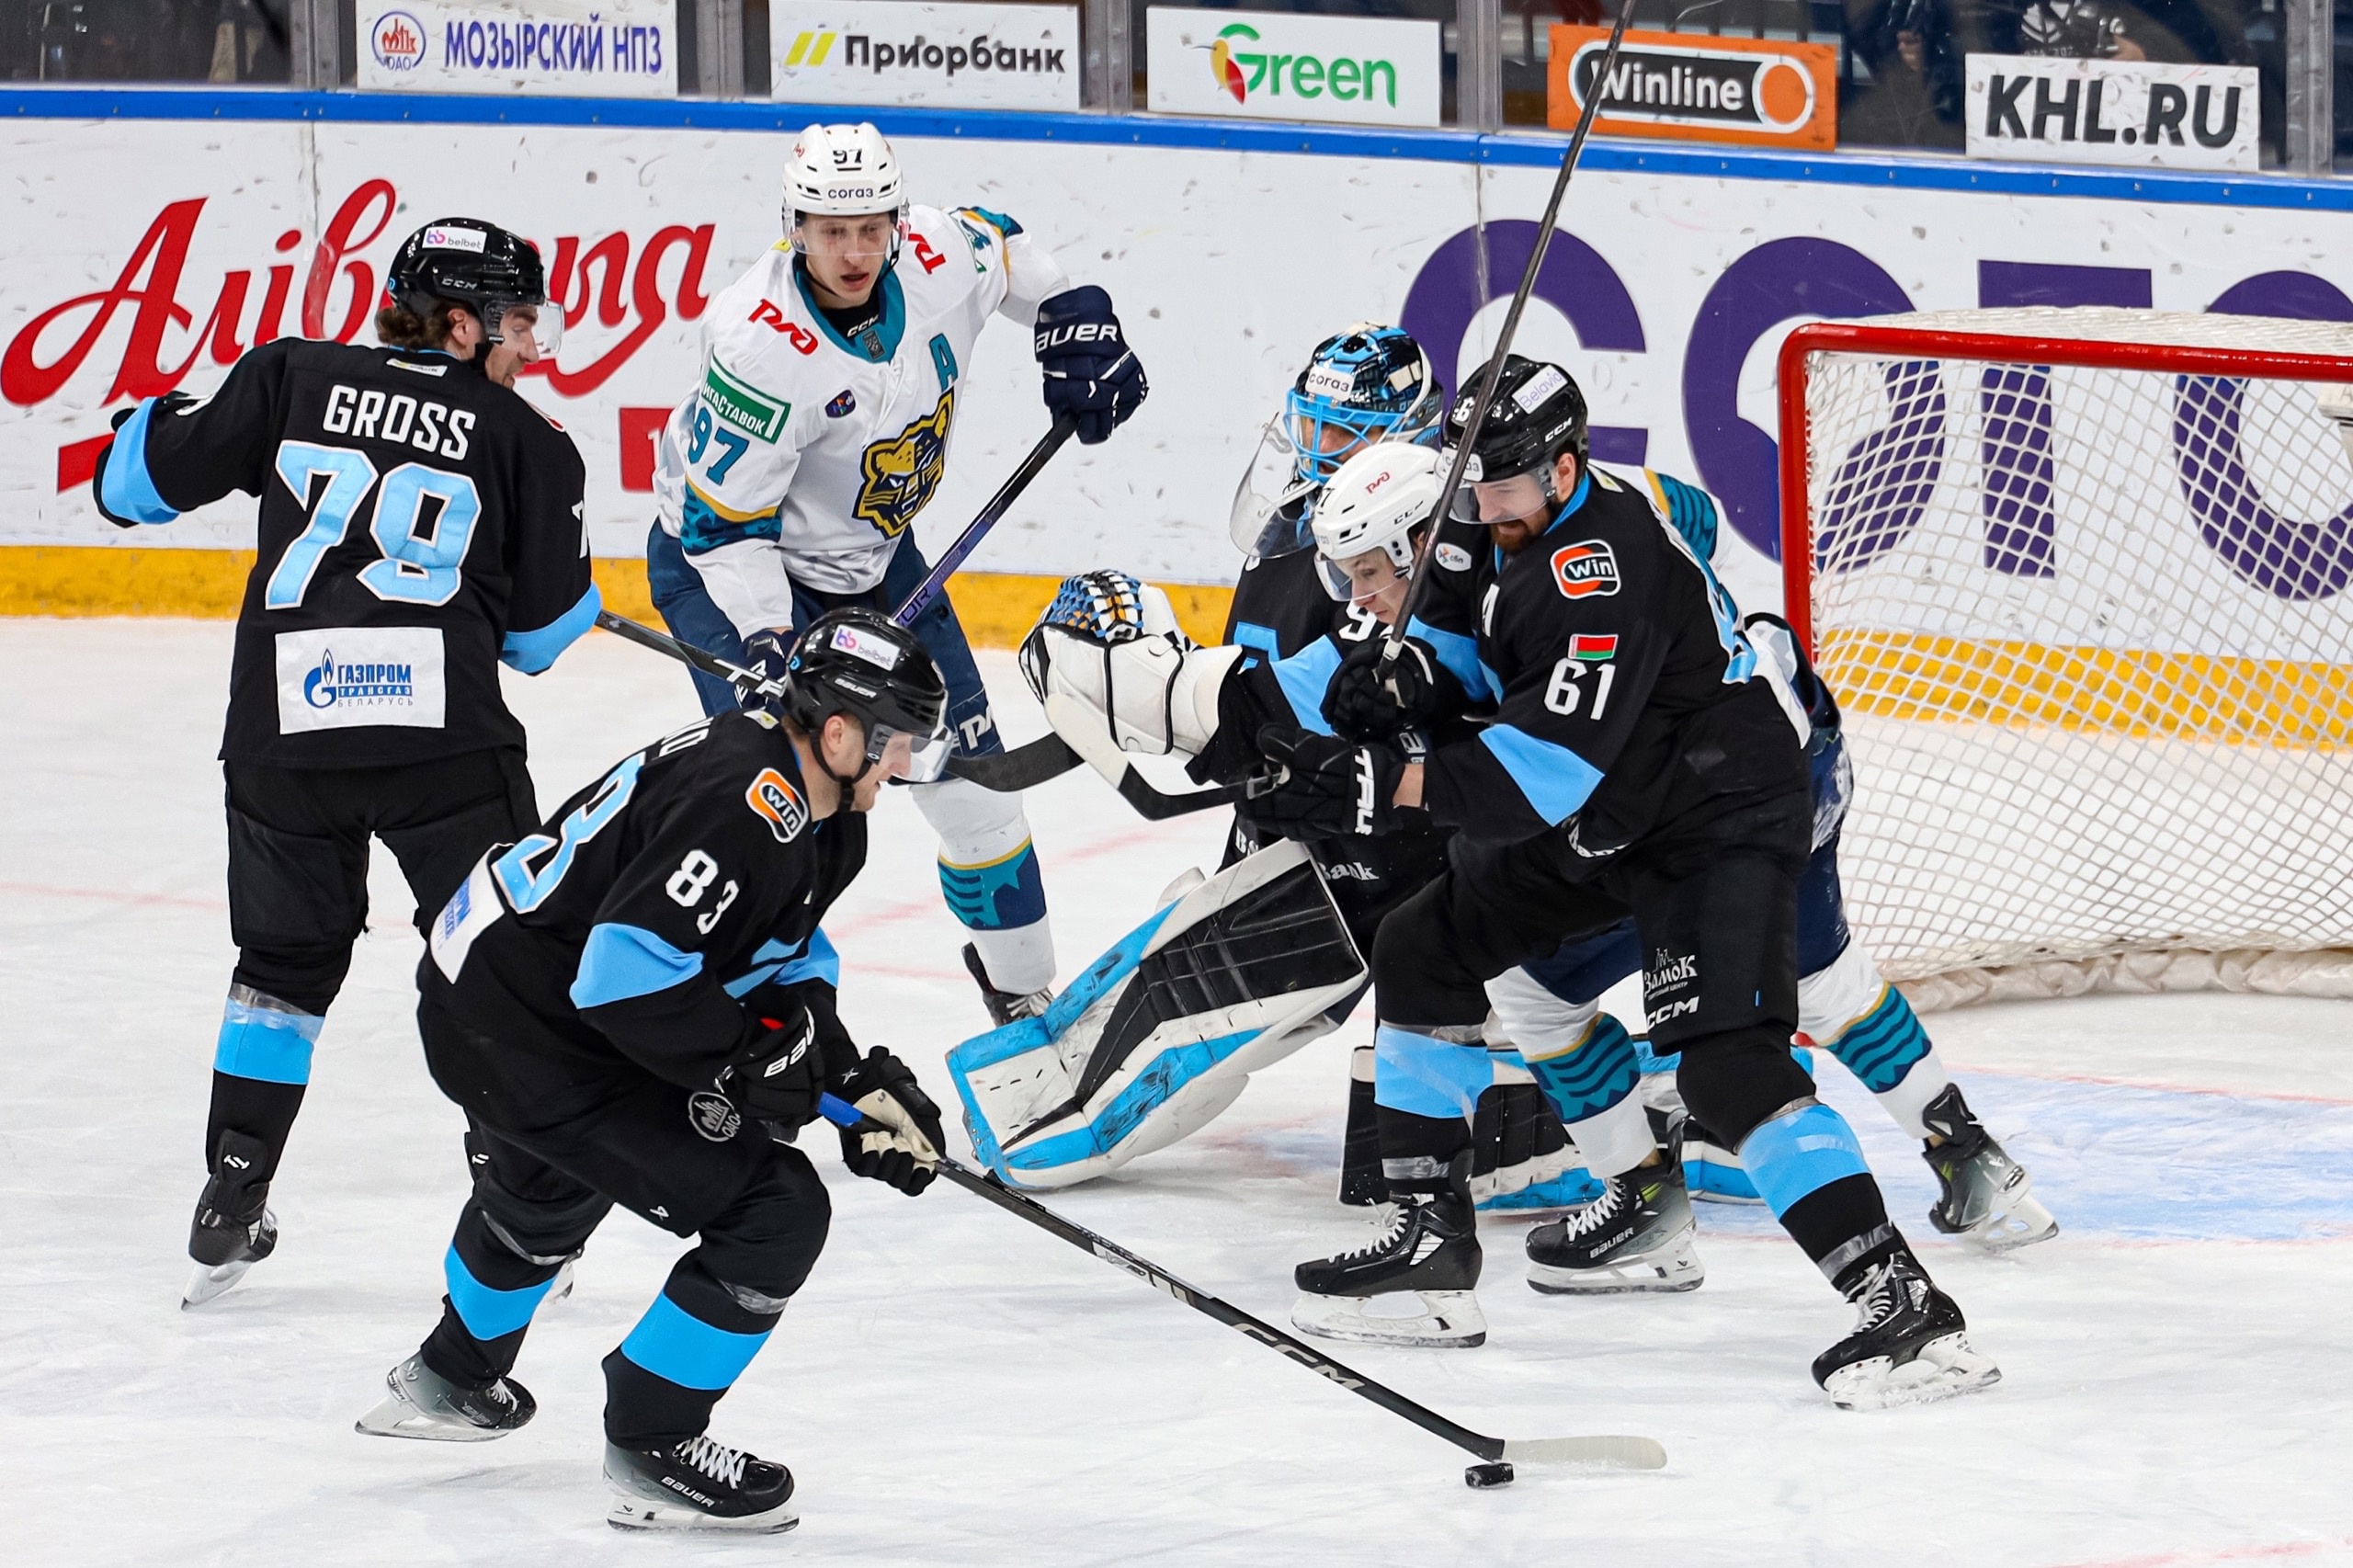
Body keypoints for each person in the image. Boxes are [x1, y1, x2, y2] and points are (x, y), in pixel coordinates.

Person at [1258, 359, 1999, 1408]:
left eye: (1503, 488)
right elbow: (1481, 647)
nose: (1484, 508)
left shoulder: (1595, 574)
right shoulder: (1491, 516)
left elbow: (1541, 773)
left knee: (1729, 1069)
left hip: (1714, 814)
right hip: (1617, 811)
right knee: (1424, 945)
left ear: (1564, 470)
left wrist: (1386, 781)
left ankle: (1906, 1309)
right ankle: (1429, 1251)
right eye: (1474, 487)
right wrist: (1412, 682)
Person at [89, 218, 597, 1309]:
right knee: (498, 961)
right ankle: (518, 1198)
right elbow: (541, 641)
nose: (528, 345)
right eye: (515, 323)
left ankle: (232, 1191)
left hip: (286, 735)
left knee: (281, 968)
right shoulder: (529, 438)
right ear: (457, 324)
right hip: (443, 748)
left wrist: (154, 425)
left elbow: (128, 488)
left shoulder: (288, 376)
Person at [356, 608, 952, 1534]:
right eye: (899, 742)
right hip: (519, 1026)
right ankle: (652, 1439)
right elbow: (624, 976)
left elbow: (776, 954)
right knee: (775, 1208)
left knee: (549, 1185)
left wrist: (847, 1075)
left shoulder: (823, 815)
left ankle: (452, 1375)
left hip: (504, 990)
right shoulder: (744, 804)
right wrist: (748, 1064)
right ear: (839, 734)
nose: (906, 766)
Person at [645, 121, 1150, 1024]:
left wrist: (1074, 314)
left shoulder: (935, 255)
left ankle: (1031, 1012)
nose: (854, 252)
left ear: (897, 220)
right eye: (831, 231)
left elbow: (1003, 242)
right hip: (736, 572)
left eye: (871, 228)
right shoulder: (759, 343)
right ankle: (719, 1022)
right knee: (781, 809)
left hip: (876, 561)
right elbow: (724, 532)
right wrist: (769, 642)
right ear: (795, 226)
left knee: (978, 794)